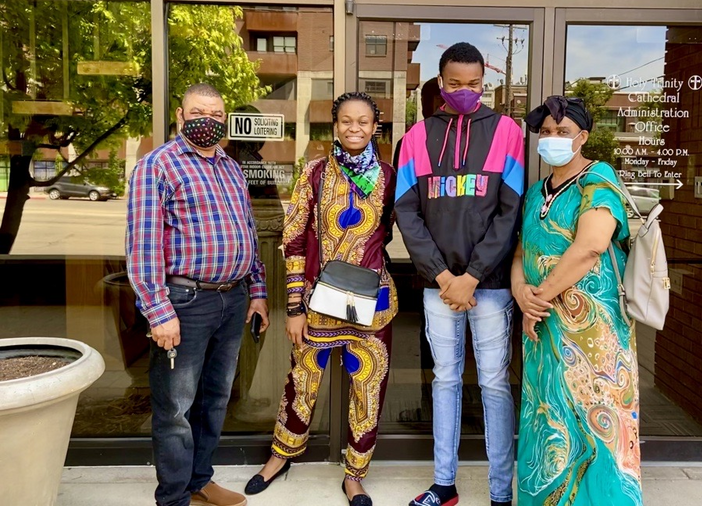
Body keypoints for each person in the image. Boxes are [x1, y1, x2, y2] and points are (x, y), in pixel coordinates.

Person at [245, 92, 397, 506]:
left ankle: (355, 475)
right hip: (318, 304)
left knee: (369, 388)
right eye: (346, 121)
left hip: (373, 303)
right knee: (302, 382)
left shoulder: (390, 175)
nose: (354, 128)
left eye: (363, 122)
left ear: (374, 127)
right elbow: (293, 242)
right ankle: (280, 456)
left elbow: (403, 228)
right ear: (334, 126)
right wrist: (294, 307)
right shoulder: (313, 173)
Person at [126, 83, 270, 506]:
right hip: (184, 303)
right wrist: (158, 311)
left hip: (232, 300)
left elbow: (248, 231)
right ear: (180, 115)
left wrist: (257, 290)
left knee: (215, 399)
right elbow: (143, 245)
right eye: (198, 112)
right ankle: (174, 498)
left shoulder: (229, 166)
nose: (208, 121)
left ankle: (199, 481)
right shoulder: (157, 167)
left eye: (217, 114)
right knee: (175, 409)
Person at [395, 43, 524, 506]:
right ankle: (444, 484)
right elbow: (406, 211)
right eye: (455, 84)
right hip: (439, 288)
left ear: (483, 82)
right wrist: (444, 276)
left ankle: (500, 493)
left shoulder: (509, 133)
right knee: (445, 380)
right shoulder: (415, 137)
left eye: (474, 84)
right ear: (440, 82)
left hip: (488, 288)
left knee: (493, 382)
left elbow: (511, 212)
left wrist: (471, 275)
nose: (465, 92)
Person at [513, 96, 642, 506]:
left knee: (598, 416)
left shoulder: (598, 179)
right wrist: (521, 294)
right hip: (544, 324)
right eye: (546, 133)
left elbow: (591, 246)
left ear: (582, 137)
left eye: (562, 132)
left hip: (593, 332)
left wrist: (538, 298)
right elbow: (520, 253)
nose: (552, 139)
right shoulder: (536, 191)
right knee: (547, 414)